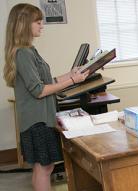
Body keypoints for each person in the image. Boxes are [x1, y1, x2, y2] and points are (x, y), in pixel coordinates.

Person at [3, 4, 89, 191]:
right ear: (24, 24)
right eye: (38, 21)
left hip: (40, 119)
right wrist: (73, 80)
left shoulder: (29, 50)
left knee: (44, 167)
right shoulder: (23, 53)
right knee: (44, 168)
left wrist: (71, 74)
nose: (42, 25)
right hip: (37, 122)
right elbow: (39, 90)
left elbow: (48, 81)